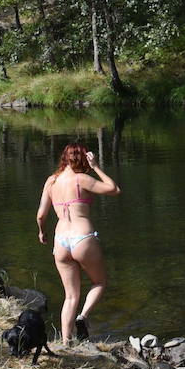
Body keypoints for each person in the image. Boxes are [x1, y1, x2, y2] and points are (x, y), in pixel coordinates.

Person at [36, 142, 121, 344]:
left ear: (64, 158)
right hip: (83, 238)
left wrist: (42, 232)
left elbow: (40, 215)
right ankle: (82, 316)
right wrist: (96, 167)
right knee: (99, 282)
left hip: (61, 241)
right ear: (82, 159)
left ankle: (66, 342)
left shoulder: (51, 181)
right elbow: (114, 189)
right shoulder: (81, 179)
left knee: (70, 295)